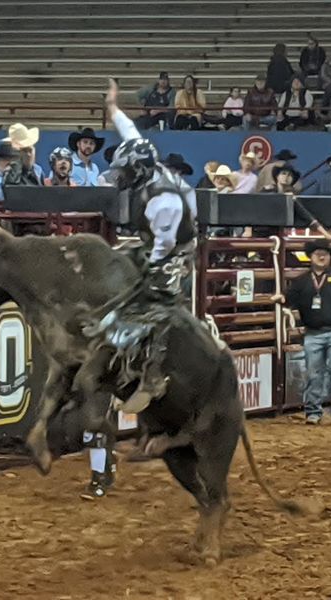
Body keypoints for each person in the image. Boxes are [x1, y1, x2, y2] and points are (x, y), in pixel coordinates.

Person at [94, 77, 197, 414]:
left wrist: (148, 273)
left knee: (156, 304)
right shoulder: (147, 166)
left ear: (136, 170)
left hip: (173, 251)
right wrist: (113, 108)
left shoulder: (163, 201)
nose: (119, 176)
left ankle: (153, 373)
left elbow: (164, 246)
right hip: (157, 239)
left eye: (122, 171)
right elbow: (130, 133)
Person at [274, 240, 331, 425]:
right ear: (310, 257)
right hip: (313, 332)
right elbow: (289, 298)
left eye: (325, 254)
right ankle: (313, 411)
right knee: (313, 372)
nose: (321, 256)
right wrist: (281, 299)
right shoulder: (302, 281)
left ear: (330, 257)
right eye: (317, 253)